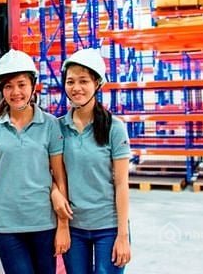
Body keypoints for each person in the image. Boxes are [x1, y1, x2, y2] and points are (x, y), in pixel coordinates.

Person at [0, 49, 69, 274]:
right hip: (6, 223)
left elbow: (60, 177)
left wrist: (63, 225)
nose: (16, 92)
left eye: (21, 84)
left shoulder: (50, 124)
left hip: (43, 221)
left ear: (33, 86)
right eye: (8, 86)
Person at [53, 48, 132, 274]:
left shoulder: (114, 128)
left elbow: (121, 184)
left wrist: (123, 235)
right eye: (70, 81)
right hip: (74, 226)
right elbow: (49, 173)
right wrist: (55, 193)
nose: (76, 88)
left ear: (97, 83)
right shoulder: (57, 127)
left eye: (83, 81)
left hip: (108, 226)